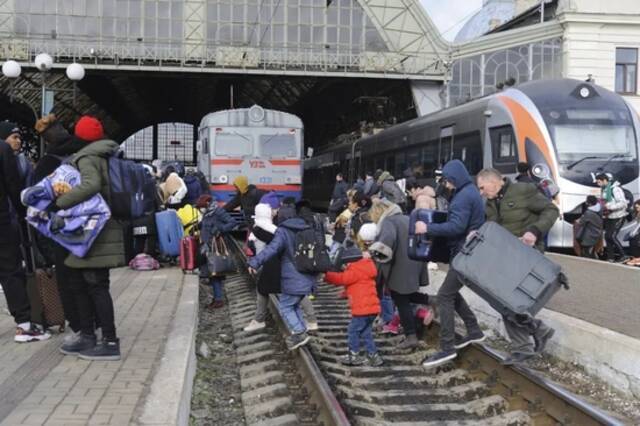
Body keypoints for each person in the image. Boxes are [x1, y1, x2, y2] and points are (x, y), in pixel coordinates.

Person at [54, 116, 125, 360]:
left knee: (95, 285)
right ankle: (87, 335)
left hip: (95, 232)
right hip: (98, 230)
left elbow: (91, 185)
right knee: (82, 282)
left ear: (80, 136)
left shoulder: (87, 157)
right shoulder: (106, 154)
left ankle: (109, 341)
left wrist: (62, 201)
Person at [476, 168, 559, 365]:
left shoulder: (523, 190)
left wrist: (534, 231)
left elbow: (552, 210)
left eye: (482, 187)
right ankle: (538, 332)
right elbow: (492, 229)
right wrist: (478, 234)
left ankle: (526, 345)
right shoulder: (490, 203)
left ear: (495, 181)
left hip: (527, 255)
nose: (481, 192)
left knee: (507, 300)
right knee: (503, 300)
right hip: (507, 257)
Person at [416, 160, 486, 368]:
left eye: (447, 181)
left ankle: (447, 347)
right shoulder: (470, 191)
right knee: (451, 292)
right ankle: (474, 330)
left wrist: (427, 228)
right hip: (467, 252)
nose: (446, 185)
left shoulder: (463, 197)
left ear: (454, 178)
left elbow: (456, 227)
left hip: (465, 254)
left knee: (444, 296)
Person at [33, 114, 92, 342]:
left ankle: (78, 327)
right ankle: (95, 322)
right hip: (90, 222)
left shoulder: (49, 161)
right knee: (91, 278)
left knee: (68, 279)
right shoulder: (85, 151)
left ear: (46, 137)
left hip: (63, 227)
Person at [0, 121, 50, 343]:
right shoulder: (3, 150)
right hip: (2, 221)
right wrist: (22, 213)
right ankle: (24, 325)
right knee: (10, 271)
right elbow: (12, 185)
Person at [247, 210, 317, 350]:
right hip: (307, 274)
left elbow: (272, 249)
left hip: (292, 276)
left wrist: (255, 262)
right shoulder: (307, 229)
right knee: (294, 304)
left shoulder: (283, 232)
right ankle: (303, 329)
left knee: (285, 306)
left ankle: (299, 332)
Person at [369, 198, 429, 351]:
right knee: (409, 295)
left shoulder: (389, 221)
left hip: (400, 265)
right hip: (415, 262)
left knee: (401, 300)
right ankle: (433, 301)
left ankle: (411, 336)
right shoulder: (407, 218)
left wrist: (373, 253)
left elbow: (385, 244)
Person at [325, 223, 383, 367]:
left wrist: (326, 275)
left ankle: (354, 355)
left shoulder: (354, 270)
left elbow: (341, 279)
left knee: (353, 330)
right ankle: (373, 356)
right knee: (366, 332)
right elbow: (357, 286)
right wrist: (345, 293)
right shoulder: (367, 268)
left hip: (362, 309)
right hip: (373, 309)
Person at [197, 194, 238, 308]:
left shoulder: (218, 211)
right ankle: (217, 298)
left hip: (215, 247)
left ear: (208, 204)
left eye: (202, 207)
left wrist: (220, 229)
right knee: (212, 273)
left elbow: (232, 222)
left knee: (215, 273)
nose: (201, 209)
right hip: (207, 246)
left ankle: (218, 299)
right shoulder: (207, 213)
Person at [595, 173, 628, 261]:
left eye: (599, 182)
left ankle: (624, 255)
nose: (598, 184)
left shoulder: (615, 189)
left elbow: (623, 203)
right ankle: (610, 257)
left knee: (612, 236)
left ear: (605, 180)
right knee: (607, 236)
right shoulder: (604, 189)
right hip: (609, 216)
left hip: (618, 216)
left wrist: (609, 207)